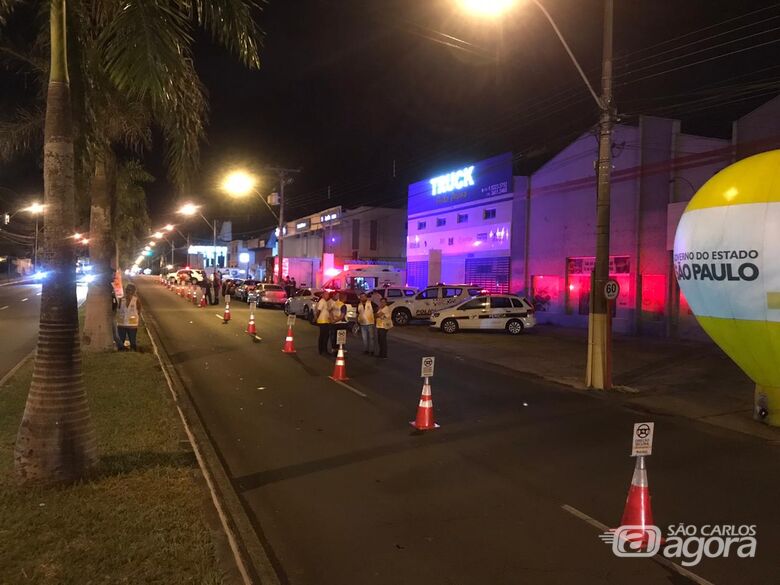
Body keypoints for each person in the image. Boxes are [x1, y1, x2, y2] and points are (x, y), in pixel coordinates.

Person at [116, 282, 141, 351]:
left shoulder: (136, 300)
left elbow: (139, 310)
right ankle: (121, 353)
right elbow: (118, 309)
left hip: (132, 325)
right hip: (122, 324)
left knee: (132, 342)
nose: (129, 291)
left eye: (130, 290)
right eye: (127, 290)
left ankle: (133, 351)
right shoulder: (121, 299)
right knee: (121, 342)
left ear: (133, 291)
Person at [315, 290, 333, 356]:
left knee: (325, 336)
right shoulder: (322, 301)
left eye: (328, 294)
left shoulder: (325, 302)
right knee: (323, 336)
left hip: (326, 321)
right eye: (326, 294)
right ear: (323, 295)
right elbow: (319, 311)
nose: (327, 296)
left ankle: (323, 350)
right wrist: (316, 318)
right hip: (322, 321)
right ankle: (322, 350)